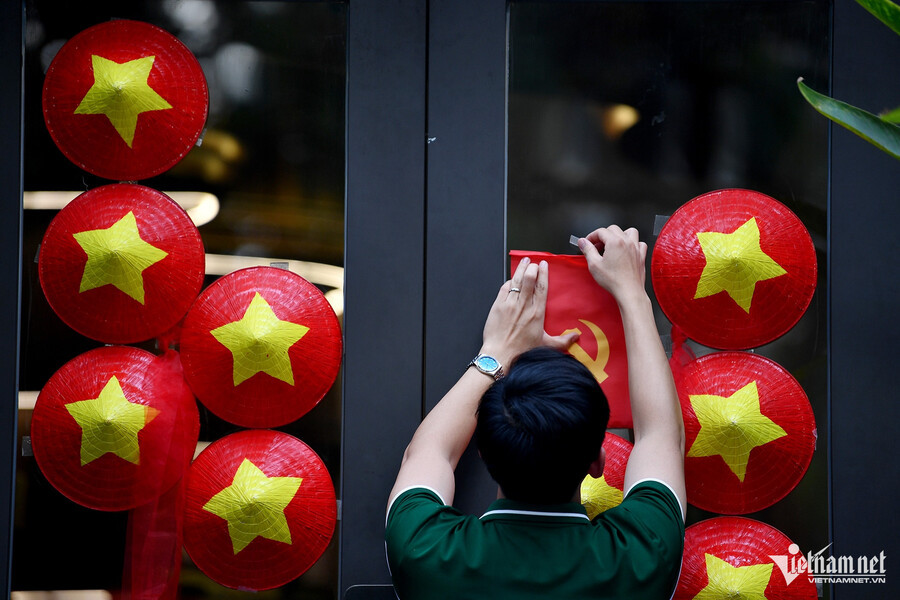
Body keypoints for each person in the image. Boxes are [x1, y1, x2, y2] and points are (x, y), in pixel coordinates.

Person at [385, 226, 686, 599]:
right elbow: (661, 436)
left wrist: (498, 351)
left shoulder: (426, 553)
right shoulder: (642, 556)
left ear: (482, 452)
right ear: (599, 461)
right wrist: (631, 294)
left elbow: (428, 452)